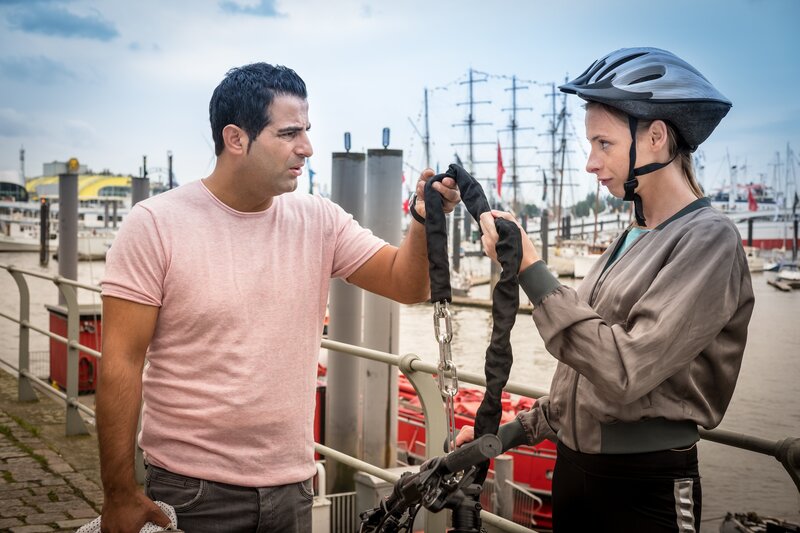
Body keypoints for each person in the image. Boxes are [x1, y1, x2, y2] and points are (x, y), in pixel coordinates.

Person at [96, 62, 460, 533]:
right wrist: (120, 494)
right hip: (192, 491)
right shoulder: (155, 225)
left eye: (306, 131)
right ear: (236, 138)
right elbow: (121, 360)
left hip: (295, 487)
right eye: (289, 133)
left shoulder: (319, 221)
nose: (306, 147)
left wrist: (422, 218)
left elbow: (407, 284)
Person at [458, 47, 754, 532]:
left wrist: (532, 268)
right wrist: (503, 434)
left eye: (604, 144)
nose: (591, 162)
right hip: (576, 472)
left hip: (645, 486)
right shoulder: (628, 238)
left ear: (656, 137)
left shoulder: (709, 239)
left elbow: (622, 370)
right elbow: (583, 381)